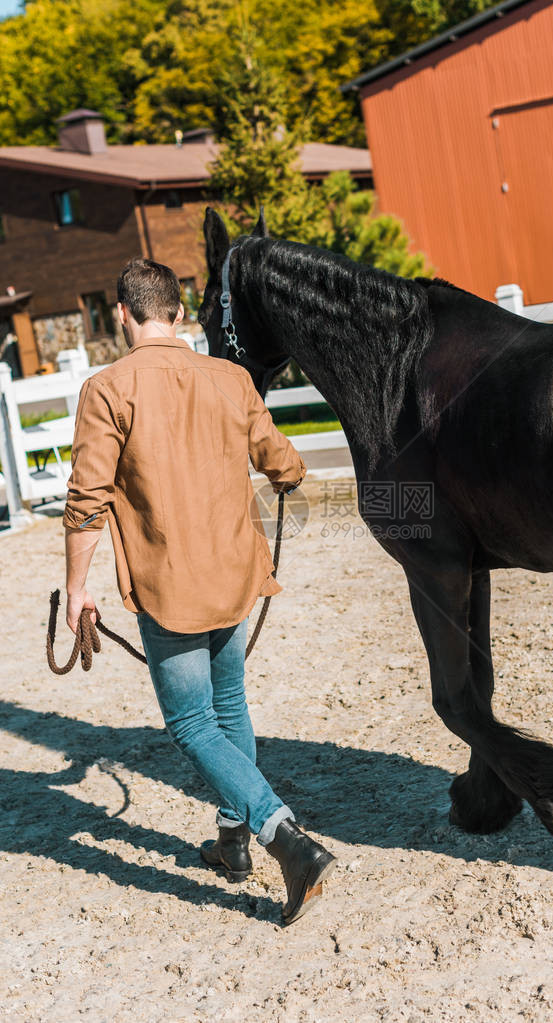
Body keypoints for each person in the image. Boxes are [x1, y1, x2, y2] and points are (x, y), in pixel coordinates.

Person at [62, 256, 336, 925]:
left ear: (122, 315)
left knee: (191, 722)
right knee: (229, 700)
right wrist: (286, 474)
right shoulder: (229, 376)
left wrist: (76, 590)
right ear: (179, 312)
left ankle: (283, 837)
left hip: (172, 583)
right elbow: (282, 461)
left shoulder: (107, 389)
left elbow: (84, 502)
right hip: (234, 572)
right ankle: (231, 839)